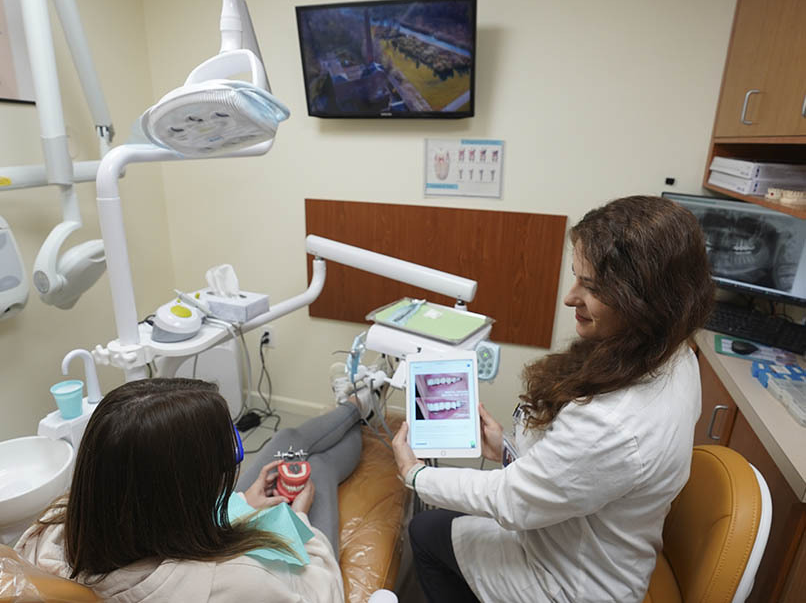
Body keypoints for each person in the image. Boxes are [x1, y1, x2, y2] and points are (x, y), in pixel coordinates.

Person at [392, 195, 715, 603]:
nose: (569, 296)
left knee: (424, 531)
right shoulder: (674, 353)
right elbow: (581, 474)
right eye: (578, 276)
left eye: (591, 286)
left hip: (573, 583)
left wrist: (415, 475)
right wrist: (507, 449)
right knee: (441, 524)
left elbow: (512, 500)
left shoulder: (615, 422)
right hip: (590, 537)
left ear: (643, 301)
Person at [14, 377, 371, 602]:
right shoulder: (237, 583)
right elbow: (325, 593)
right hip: (281, 559)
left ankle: (356, 406)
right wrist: (299, 520)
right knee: (317, 470)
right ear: (185, 488)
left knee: (286, 441)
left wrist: (243, 502)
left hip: (190, 538)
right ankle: (363, 406)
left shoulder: (55, 525)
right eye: (231, 451)